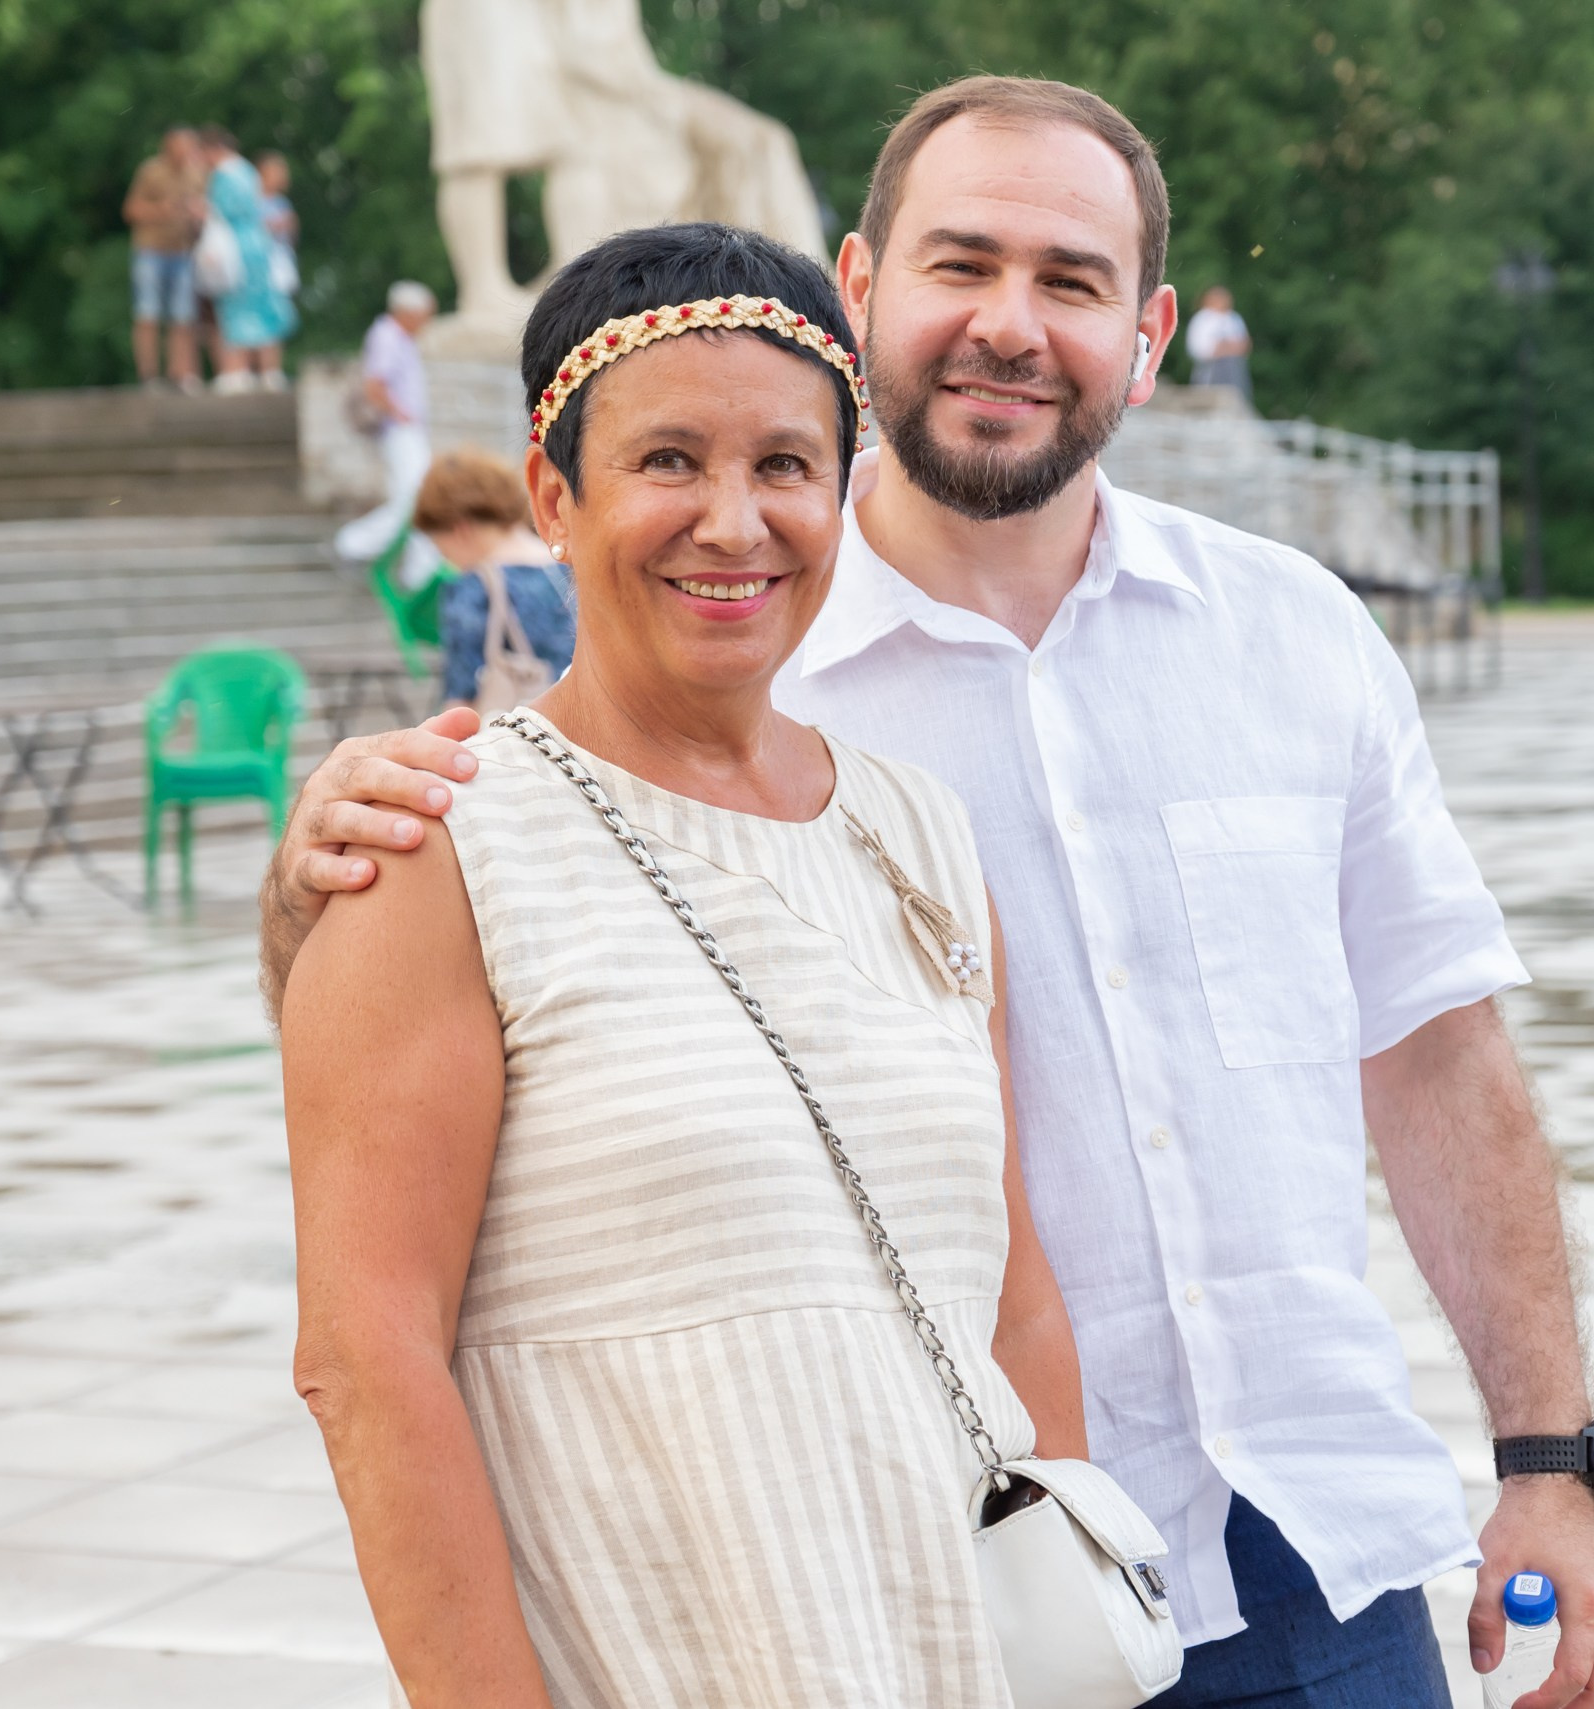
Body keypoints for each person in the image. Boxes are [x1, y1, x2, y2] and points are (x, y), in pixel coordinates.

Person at [263, 77, 1594, 1709]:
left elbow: (1435, 1054)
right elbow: (421, 1109)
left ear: (1149, 328)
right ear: (859, 281)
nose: (1009, 322)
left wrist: (1551, 1452)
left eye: (1071, 279)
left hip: (1312, 1548)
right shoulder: (738, 660)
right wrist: (306, 891)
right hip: (891, 1584)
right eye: (960, 262)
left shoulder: (1292, 634)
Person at [281, 220, 1090, 1707]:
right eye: (668, 462)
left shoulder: (918, 830)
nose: (734, 521)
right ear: (552, 496)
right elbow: (367, 1361)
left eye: (785, 465)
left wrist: (1083, 1618)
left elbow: (1015, 1290)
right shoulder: (438, 847)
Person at [405, 447, 577, 707]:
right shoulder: (570, 564)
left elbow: (461, 695)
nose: (446, 560)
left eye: (441, 547)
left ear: (460, 530)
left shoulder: (471, 588)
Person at [334, 283, 438, 563]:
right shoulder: (388, 336)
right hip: (398, 428)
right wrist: (400, 414)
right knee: (417, 497)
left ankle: (413, 563)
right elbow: (375, 384)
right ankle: (353, 544)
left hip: (404, 427)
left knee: (410, 498)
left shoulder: (400, 338)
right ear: (408, 312)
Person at [196, 126, 297, 393]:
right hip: (258, 245)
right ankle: (268, 371)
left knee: (235, 309)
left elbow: (223, 216)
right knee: (262, 306)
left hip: (235, 248)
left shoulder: (224, 175)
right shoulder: (248, 172)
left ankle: (236, 370)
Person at [122, 126, 206, 392]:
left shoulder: (197, 175)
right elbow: (131, 210)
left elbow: (204, 216)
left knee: (182, 318)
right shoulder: (151, 171)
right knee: (148, 314)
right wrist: (163, 210)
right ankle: (148, 376)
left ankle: (178, 374)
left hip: (182, 252)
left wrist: (197, 217)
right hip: (150, 252)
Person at [1184, 284, 1253, 400]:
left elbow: (1245, 345)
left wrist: (1226, 347)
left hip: (1235, 370)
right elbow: (1198, 349)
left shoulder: (1234, 318)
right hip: (1210, 370)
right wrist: (1223, 348)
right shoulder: (1202, 319)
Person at [258, 150, 302, 303]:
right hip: (260, 262)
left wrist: (292, 225)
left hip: (281, 259)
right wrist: (272, 225)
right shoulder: (253, 200)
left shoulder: (282, 202)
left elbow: (292, 238)